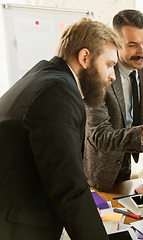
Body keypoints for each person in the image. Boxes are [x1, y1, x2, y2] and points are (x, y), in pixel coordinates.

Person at [0, 18, 121, 240]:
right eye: (109, 65)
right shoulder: (59, 92)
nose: (112, 76)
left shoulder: (42, 76)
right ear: (85, 57)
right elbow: (69, 188)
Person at [83, 9, 143, 192]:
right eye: (133, 45)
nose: (142, 52)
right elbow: (100, 136)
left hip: (127, 157)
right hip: (100, 169)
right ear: (115, 43)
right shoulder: (96, 74)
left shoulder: (141, 63)